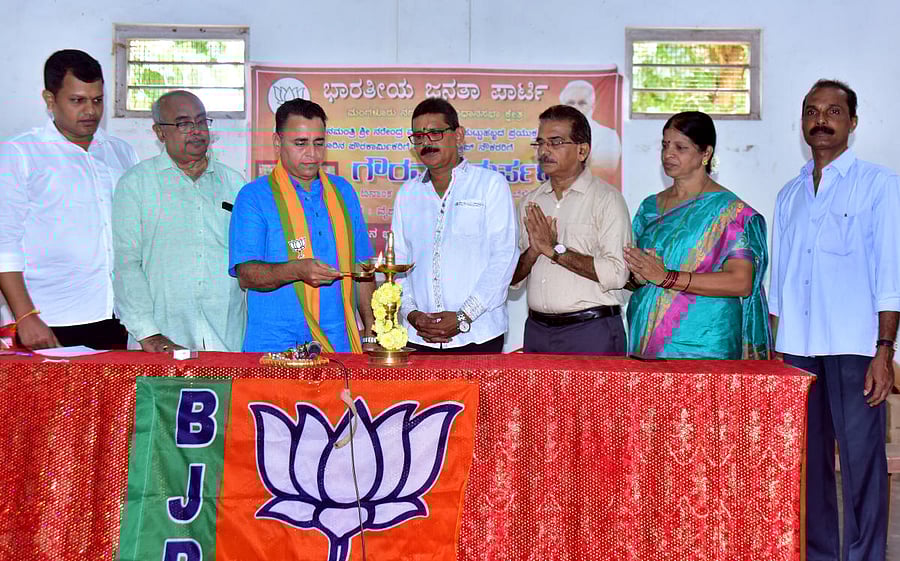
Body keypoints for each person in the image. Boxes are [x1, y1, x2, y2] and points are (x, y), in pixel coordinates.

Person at [769, 79, 899, 561]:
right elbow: (779, 282)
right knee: (808, 465)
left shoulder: (879, 185)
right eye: (812, 111)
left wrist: (884, 351)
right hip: (798, 349)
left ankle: (865, 556)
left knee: (863, 465)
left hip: (855, 347)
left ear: (853, 123)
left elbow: (891, 274)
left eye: (833, 111)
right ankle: (819, 553)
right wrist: (775, 351)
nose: (821, 120)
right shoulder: (789, 194)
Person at [0, 49, 138, 349]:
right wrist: (25, 316)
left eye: (97, 100)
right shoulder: (20, 153)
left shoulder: (120, 152)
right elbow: (4, 243)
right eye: (77, 100)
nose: (90, 111)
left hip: (114, 315)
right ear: (50, 100)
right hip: (46, 320)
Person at [229, 98, 375, 353]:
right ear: (277, 142)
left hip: (339, 345)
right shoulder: (254, 196)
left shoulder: (343, 192)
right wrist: (296, 270)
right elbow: (247, 274)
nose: (312, 154)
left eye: (318, 143)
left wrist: (371, 333)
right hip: (275, 347)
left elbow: (362, 268)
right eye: (300, 143)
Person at [623, 111, 771, 359]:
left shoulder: (730, 212)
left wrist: (666, 277)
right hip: (646, 340)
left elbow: (741, 282)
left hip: (704, 345)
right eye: (665, 145)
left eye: (680, 147)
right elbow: (635, 275)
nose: (668, 154)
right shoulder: (650, 207)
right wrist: (637, 277)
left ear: (706, 153)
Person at [113, 91, 246, 352]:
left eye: (201, 121)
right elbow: (126, 264)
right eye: (184, 123)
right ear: (160, 132)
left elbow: (247, 264)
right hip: (159, 342)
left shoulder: (235, 184)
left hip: (227, 341)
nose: (196, 131)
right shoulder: (136, 183)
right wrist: (148, 333)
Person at [391, 98, 517, 353]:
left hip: (479, 335)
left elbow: (504, 257)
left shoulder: (490, 185)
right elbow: (398, 263)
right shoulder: (407, 194)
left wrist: (464, 315)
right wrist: (412, 314)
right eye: (418, 136)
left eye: (435, 133)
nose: (426, 143)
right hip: (419, 336)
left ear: (458, 135)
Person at [510, 105, 631, 354]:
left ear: (582, 150)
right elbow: (513, 280)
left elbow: (617, 274)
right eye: (540, 143)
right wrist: (534, 251)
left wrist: (555, 250)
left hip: (592, 332)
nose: (544, 151)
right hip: (538, 331)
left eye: (555, 142)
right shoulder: (530, 203)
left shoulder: (607, 200)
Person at [559, 79, 621, 170]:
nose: (575, 108)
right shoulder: (553, 136)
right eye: (570, 103)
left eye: (582, 103)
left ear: (593, 106)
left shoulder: (607, 136)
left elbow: (603, 172)